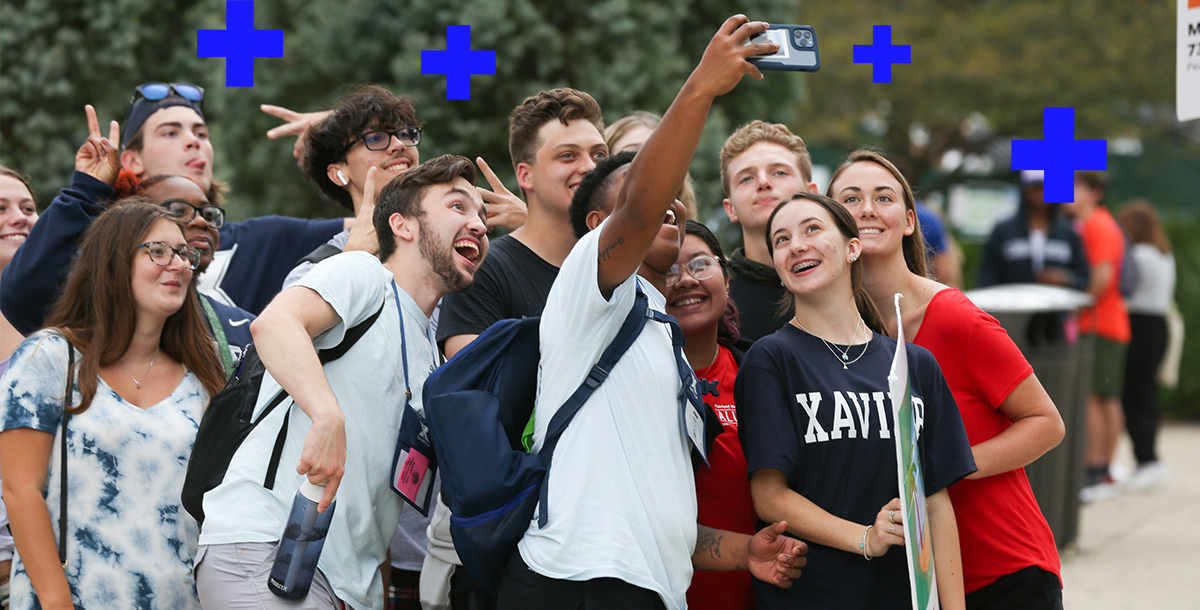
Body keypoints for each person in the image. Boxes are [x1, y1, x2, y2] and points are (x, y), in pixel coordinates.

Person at [500, 17, 807, 610]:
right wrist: (701, 87)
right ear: (597, 227)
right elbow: (639, 210)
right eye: (637, 188)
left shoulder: (659, 335)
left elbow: (654, 511)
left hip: (646, 590)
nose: (664, 200)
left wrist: (745, 552)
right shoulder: (588, 290)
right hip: (576, 584)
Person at [195, 156, 488, 610]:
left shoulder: (432, 354)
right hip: (269, 552)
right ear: (403, 225)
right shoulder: (362, 273)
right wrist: (327, 416)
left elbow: (384, 498)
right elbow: (275, 324)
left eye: (483, 216)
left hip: (349, 587)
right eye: (458, 207)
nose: (479, 225)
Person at [828, 150, 1065, 609]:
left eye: (883, 197)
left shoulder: (957, 319)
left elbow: (1047, 422)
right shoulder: (836, 338)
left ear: (911, 221)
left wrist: (939, 471)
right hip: (915, 584)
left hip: (1005, 570)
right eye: (851, 199)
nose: (868, 209)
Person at [738, 189, 976, 610]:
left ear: (852, 248)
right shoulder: (771, 359)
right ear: (776, 266)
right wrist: (866, 537)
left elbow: (935, 502)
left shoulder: (914, 364)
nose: (797, 245)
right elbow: (769, 495)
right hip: (814, 597)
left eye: (812, 229)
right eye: (781, 240)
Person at [424, 88, 608, 609]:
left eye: (598, 154)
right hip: (512, 547)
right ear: (525, 175)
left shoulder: (626, 279)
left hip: (607, 540)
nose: (588, 168)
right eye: (567, 156)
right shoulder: (489, 270)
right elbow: (475, 400)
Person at [0, 201, 225, 610]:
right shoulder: (52, 357)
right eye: (158, 251)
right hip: (70, 598)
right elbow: (20, 489)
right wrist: (54, 601)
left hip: (183, 599)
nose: (178, 264)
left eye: (185, 253)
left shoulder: (206, 372)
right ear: (113, 261)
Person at [0, 106, 254, 372]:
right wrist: (86, 191)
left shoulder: (244, 330)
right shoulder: (94, 310)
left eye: (208, 212)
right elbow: (22, 295)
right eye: (178, 211)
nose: (201, 220)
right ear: (127, 226)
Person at [115, 82, 347, 313]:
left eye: (201, 133)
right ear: (132, 161)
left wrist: (347, 130)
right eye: (171, 132)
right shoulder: (110, 245)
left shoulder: (267, 240)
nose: (194, 141)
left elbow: (377, 225)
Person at [664, 220, 756, 610]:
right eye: (668, 270)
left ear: (726, 278)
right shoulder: (634, 384)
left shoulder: (760, 374)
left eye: (700, 264)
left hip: (762, 592)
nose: (685, 280)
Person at [719, 120, 818, 342]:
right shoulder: (717, 298)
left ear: (811, 194)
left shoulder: (846, 284)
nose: (763, 183)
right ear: (730, 208)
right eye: (746, 178)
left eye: (779, 173)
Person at [1066, 170, 1130, 503]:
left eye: (1075, 186)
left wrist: (1076, 308)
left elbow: (1102, 275)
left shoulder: (1097, 225)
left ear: (1094, 192)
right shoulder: (1097, 223)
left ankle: (1097, 468)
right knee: (1106, 397)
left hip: (1100, 324)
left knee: (1096, 397)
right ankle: (1103, 468)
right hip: (1107, 323)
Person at [0, 167, 40, 608]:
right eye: (1, 208)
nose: (21, 217)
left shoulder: (68, 329)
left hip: (34, 582)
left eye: (30, 208)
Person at [1116, 199, 1175, 490]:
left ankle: (1146, 459)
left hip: (1140, 325)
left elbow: (1126, 289)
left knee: (1135, 395)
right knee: (1147, 393)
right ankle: (1149, 459)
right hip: (1159, 324)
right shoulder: (1164, 254)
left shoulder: (1138, 255)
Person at [977, 170, 1089, 290]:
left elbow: (1083, 278)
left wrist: (1065, 279)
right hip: (1012, 306)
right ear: (1025, 189)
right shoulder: (1003, 231)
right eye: (1035, 188)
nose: (1040, 194)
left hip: (1058, 306)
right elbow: (987, 276)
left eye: (1045, 188)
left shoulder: (1068, 233)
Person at [602, 111, 698, 220]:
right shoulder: (590, 237)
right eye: (632, 154)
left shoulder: (692, 236)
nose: (648, 164)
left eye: (659, 155)